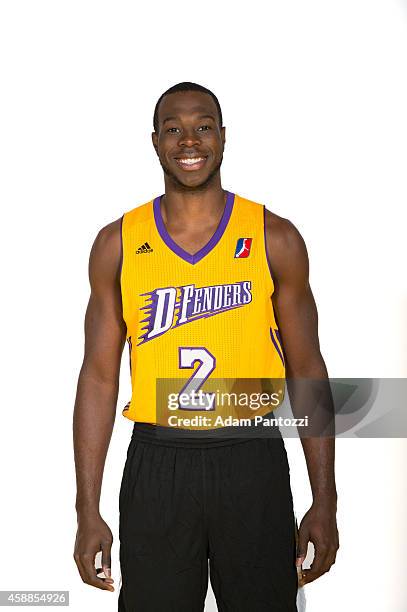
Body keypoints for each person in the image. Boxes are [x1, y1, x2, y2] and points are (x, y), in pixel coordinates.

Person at [73, 82, 339, 611]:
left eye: (202, 126)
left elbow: (306, 370)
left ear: (222, 137)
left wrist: (325, 500)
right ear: (154, 142)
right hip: (157, 461)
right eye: (173, 128)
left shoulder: (273, 237)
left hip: (251, 456)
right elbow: (99, 378)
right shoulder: (118, 243)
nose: (188, 140)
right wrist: (86, 509)